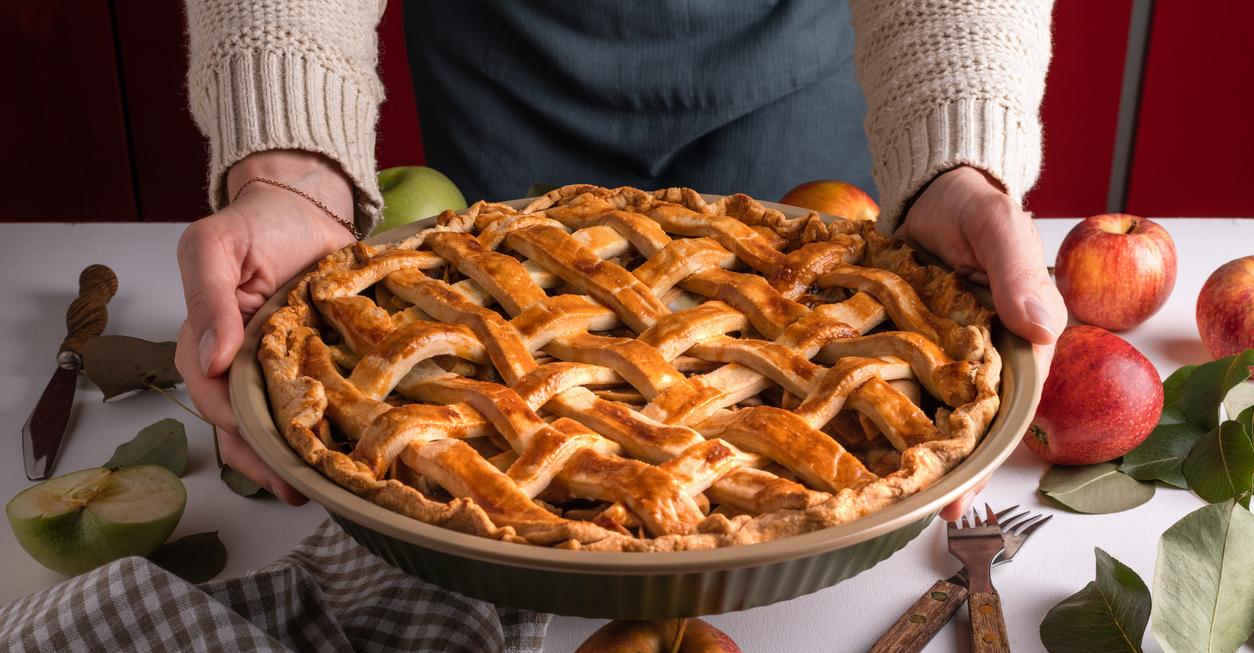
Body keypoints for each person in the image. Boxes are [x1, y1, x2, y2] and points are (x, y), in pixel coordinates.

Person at [177, 0, 1067, 518]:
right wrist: (291, 170)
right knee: (487, 376)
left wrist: (953, 156)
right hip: (504, 84)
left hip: (798, 131)